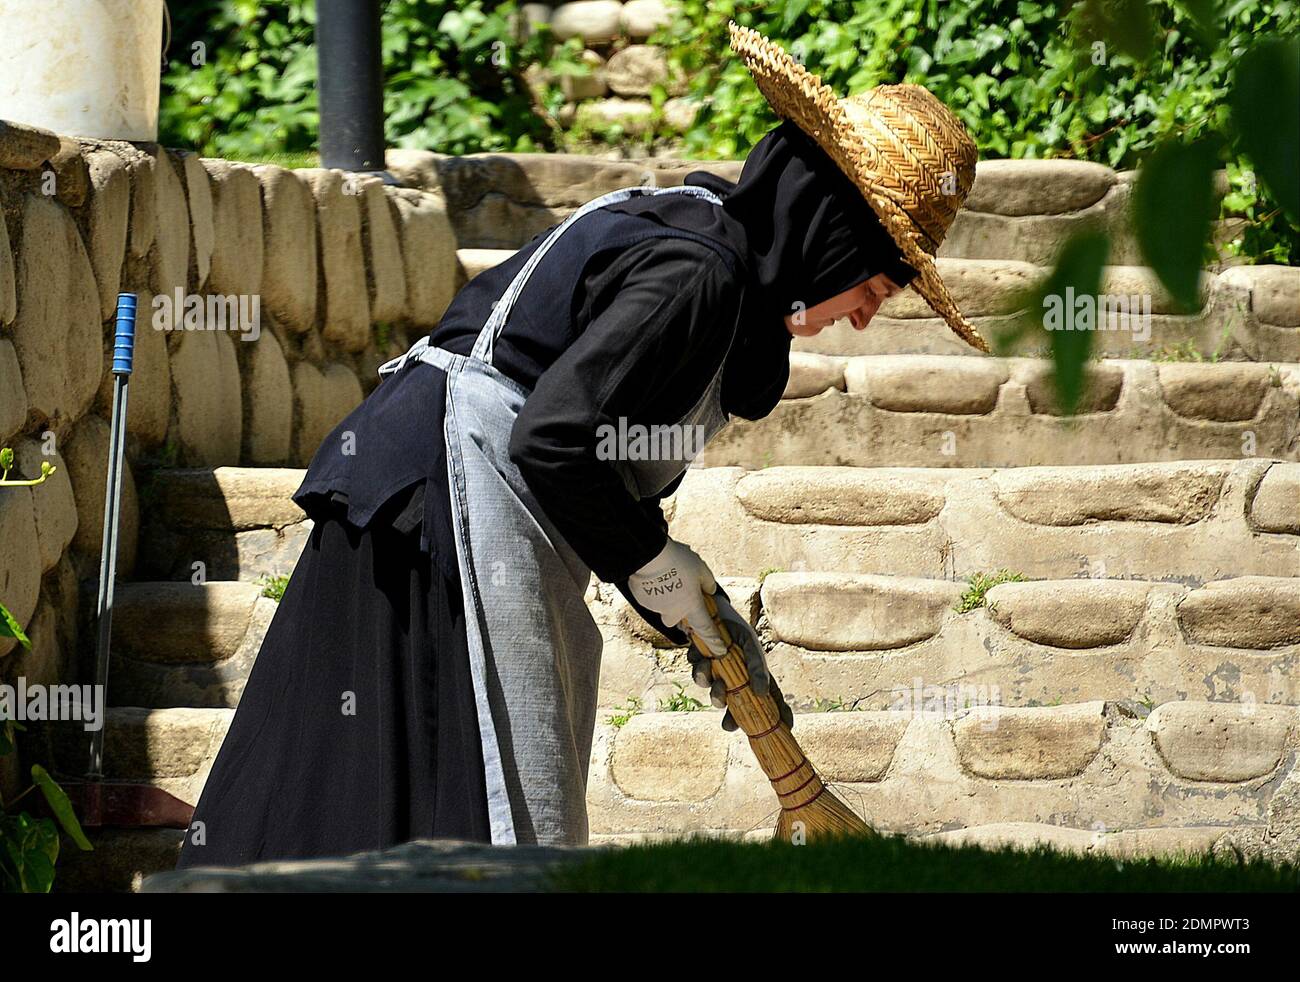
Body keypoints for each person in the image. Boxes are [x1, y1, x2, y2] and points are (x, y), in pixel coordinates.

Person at [175, 22, 986, 867]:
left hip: (414, 493)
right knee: (471, 801)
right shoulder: (698, 272)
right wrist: (653, 560)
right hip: (446, 503)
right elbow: (557, 439)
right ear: (831, 236)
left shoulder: (705, 240)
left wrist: (672, 593)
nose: (863, 314)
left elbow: (595, 448)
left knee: (358, 789)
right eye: (876, 284)